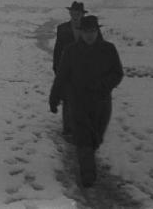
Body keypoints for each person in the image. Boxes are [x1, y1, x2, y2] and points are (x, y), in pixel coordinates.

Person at [49, 15, 123, 187]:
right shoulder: (70, 51)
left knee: (95, 138)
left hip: (102, 104)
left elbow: (117, 73)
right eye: (86, 31)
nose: (89, 35)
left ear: (97, 31)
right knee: (83, 140)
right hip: (78, 103)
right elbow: (61, 77)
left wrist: (103, 85)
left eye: (93, 31)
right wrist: (54, 98)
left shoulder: (109, 49)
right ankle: (87, 175)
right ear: (81, 32)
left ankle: (88, 159)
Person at [52, 1, 87, 138]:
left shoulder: (90, 27)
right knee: (68, 99)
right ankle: (68, 128)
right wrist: (56, 67)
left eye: (78, 13)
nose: (75, 16)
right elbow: (57, 50)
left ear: (82, 14)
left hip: (86, 70)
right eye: (73, 13)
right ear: (70, 13)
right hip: (67, 70)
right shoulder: (62, 28)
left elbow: (99, 48)